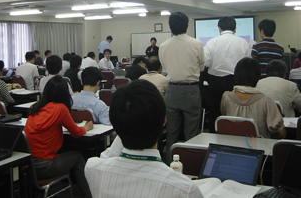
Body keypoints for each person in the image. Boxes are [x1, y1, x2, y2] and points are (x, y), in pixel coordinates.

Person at [85, 79, 203, 198]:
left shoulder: (93, 169)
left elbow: (107, 155)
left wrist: (126, 124)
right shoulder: (185, 189)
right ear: (164, 120)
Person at [24, 75, 93, 198]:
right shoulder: (60, 109)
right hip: (45, 166)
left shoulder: (36, 107)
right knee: (77, 157)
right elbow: (76, 133)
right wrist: (86, 127)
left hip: (28, 167)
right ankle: (88, 195)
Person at [158, 12, 204, 158]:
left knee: (172, 131)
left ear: (170, 26)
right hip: (191, 90)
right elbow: (201, 67)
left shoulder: (163, 46)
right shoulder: (197, 44)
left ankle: (170, 163)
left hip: (171, 90)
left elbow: (164, 67)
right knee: (192, 131)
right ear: (187, 25)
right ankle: (190, 163)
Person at [204, 16, 250, 132]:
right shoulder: (244, 42)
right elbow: (247, 63)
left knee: (215, 111)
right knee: (235, 110)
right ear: (235, 29)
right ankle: (234, 133)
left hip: (216, 81)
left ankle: (215, 136)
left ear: (219, 28)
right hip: (236, 81)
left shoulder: (211, 42)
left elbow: (206, 62)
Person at [221, 57, 285, 139]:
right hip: (259, 148)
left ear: (236, 74)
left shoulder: (226, 97)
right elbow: (281, 133)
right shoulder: (266, 100)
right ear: (258, 75)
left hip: (232, 147)